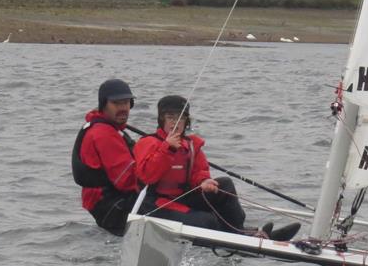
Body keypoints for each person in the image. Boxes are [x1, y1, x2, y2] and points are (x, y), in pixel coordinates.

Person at [134, 95, 301, 241]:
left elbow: (199, 171)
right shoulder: (148, 143)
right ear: (161, 119)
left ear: (186, 121)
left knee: (225, 184)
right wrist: (168, 148)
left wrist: (204, 181)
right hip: (157, 204)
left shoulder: (191, 145)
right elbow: (147, 177)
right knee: (207, 221)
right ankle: (245, 238)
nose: (175, 122)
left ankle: (244, 234)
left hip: (183, 198)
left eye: (181, 118)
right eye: (170, 117)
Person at [72, 78, 140, 236]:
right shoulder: (103, 134)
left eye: (127, 102)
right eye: (117, 103)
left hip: (108, 201)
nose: (123, 108)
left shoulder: (111, 129)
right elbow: (128, 181)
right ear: (104, 104)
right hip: (110, 207)